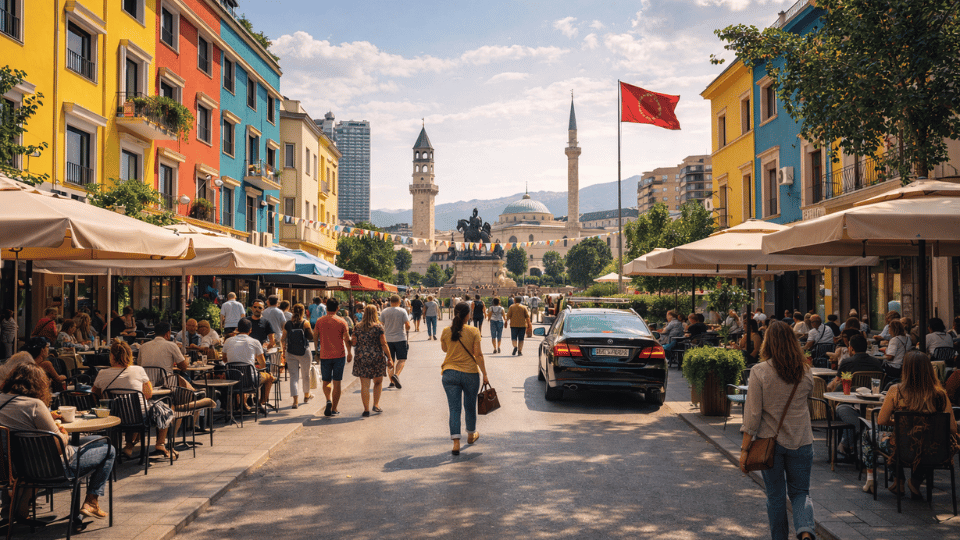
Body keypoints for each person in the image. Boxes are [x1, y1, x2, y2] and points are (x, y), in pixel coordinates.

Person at [0, 362, 116, 523]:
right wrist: (64, 433)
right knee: (109, 448)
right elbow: (58, 448)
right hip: (54, 469)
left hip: (15, 467)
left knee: (91, 440)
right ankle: (91, 501)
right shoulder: (34, 405)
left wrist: (48, 419)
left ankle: (17, 510)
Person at [740, 321, 816, 540]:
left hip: (770, 444)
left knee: (775, 497)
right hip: (802, 440)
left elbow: (753, 414)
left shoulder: (760, 371)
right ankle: (805, 532)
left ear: (768, 343)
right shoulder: (805, 371)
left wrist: (745, 450)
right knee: (801, 493)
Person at [859, 351, 959, 495]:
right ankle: (916, 481)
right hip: (933, 450)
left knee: (870, 435)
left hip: (902, 448)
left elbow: (881, 420)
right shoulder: (940, 394)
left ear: (906, 370)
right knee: (920, 443)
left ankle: (883, 479)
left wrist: (899, 423)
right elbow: (952, 428)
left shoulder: (896, 391)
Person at [94, 340, 176, 459]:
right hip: (138, 417)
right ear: (130, 355)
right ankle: (160, 443)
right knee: (163, 408)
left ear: (111, 356)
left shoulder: (102, 373)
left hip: (114, 417)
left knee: (128, 409)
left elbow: (95, 395)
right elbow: (148, 394)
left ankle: (129, 446)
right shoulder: (138, 370)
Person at [440, 302, 490, 456]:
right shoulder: (473, 331)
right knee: (469, 406)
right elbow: (478, 355)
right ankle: (471, 434)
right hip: (470, 373)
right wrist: (485, 374)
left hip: (450, 373)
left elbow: (445, 349)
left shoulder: (446, 331)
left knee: (454, 408)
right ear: (468, 315)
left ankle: (456, 443)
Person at [830, 335, 885, 456]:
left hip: (850, 402)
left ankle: (846, 444)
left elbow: (839, 382)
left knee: (841, 409)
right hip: (870, 403)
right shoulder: (876, 362)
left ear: (851, 348)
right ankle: (847, 443)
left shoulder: (847, 362)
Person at [221, 318, 275, 414]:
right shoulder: (255, 342)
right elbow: (262, 364)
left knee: (243, 375)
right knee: (269, 377)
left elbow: (224, 359)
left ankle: (243, 403)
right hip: (250, 380)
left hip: (232, 379)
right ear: (250, 330)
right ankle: (260, 402)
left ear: (237, 329)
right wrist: (252, 361)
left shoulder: (228, 341)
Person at [351, 305, 394, 417]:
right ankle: (376, 404)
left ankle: (366, 410)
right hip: (377, 357)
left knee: (364, 385)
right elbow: (384, 344)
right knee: (378, 382)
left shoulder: (357, 327)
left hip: (362, 357)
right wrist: (389, 358)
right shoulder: (378, 327)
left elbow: (354, 342)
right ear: (375, 314)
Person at [314, 298, 352, 416]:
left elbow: (315, 336)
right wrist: (350, 352)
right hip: (339, 355)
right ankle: (334, 408)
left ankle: (328, 400)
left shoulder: (320, 321)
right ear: (337, 308)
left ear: (326, 307)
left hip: (325, 354)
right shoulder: (341, 321)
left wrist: (316, 351)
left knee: (326, 381)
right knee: (337, 382)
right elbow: (346, 339)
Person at [282, 304, 315, 409]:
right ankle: (306, 396)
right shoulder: (305, 323)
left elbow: (283, 338)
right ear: (303, 312)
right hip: (304, 351)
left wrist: (284, 350)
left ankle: (295, 401)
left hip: (290, 352)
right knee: (306, 374)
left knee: (293, 376)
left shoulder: (287, 324)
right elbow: (311, 337)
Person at [381, 295, 411, 389]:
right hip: (400, 338)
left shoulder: (384, 311)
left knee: (390, 360)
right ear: (399, 302)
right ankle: (396, 375)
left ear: (390, 302)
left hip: (388, 339)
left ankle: (392, 382)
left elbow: (381, 325)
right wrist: (407, 328)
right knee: (402, 359)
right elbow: (407, 325)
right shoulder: (402, 311)